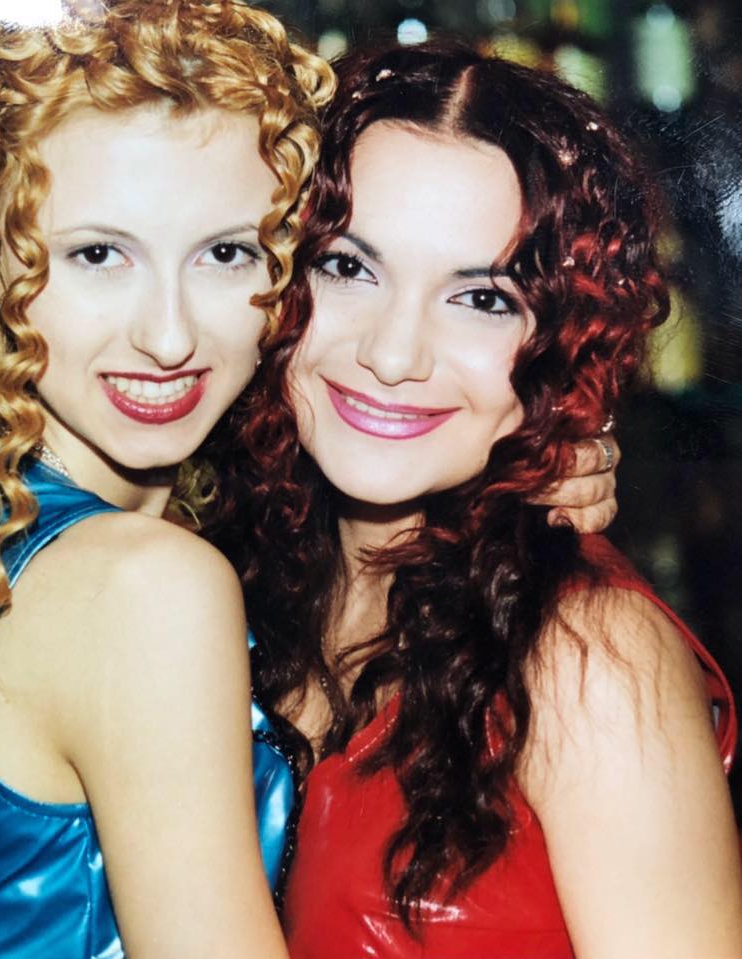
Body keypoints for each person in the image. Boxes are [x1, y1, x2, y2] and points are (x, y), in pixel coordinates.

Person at [0, 5, 620, 957]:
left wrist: (536, 446)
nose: (169, 336)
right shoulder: (145, 587)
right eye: (98, 254)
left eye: (226, 253)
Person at [212, 40, 742, 958]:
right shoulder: (224, 580)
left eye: (482, 300)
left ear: (560, 344)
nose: (392, 354)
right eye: (348, 267)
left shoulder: (585, 656)